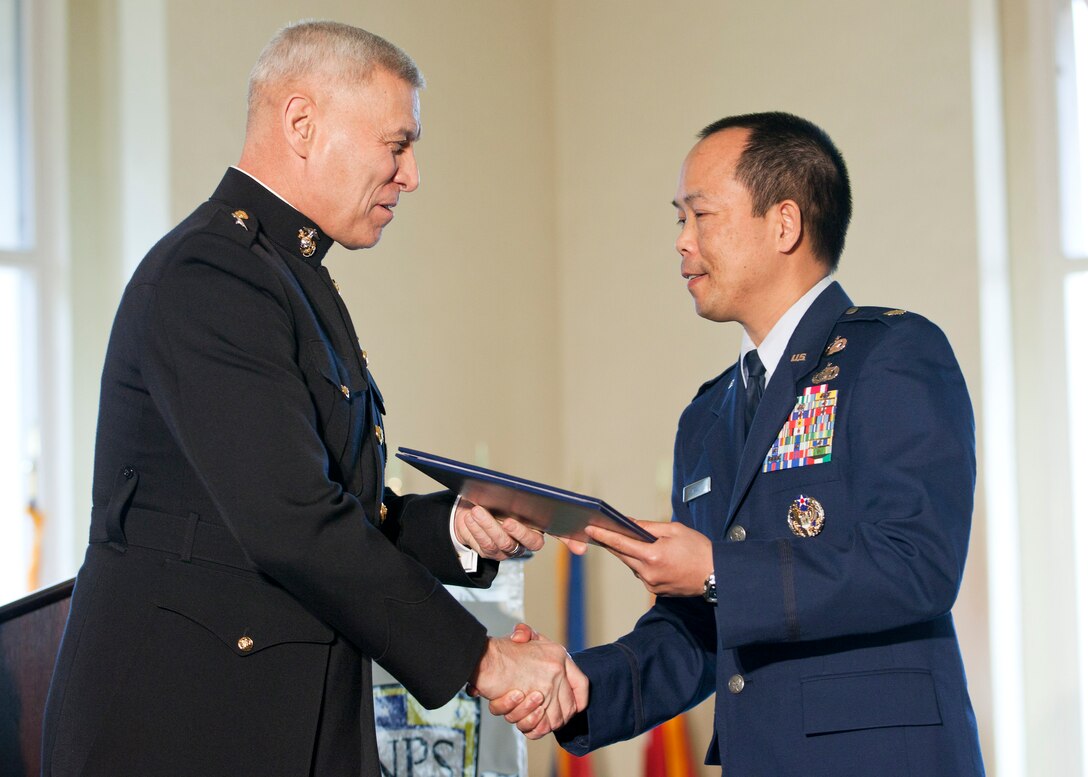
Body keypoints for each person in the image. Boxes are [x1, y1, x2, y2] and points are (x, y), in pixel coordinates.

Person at [41, 20, 585, 777]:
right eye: (397, 144)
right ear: (302, 123)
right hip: (185, 728)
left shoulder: (291, 277)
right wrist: (483, 660)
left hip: (279, 721)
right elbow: (292, 522)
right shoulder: (212, 276)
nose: (413, 174)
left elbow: (332, 506)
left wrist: (459, 527)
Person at [495, 112, 986, 775]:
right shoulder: (706, 415)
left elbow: (916, 565)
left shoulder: (892, 354)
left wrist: (718, 569)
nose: (682, 242)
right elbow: (697, 632)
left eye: (701, 216)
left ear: (783, 224)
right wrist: (578, 686)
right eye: (679, 219)